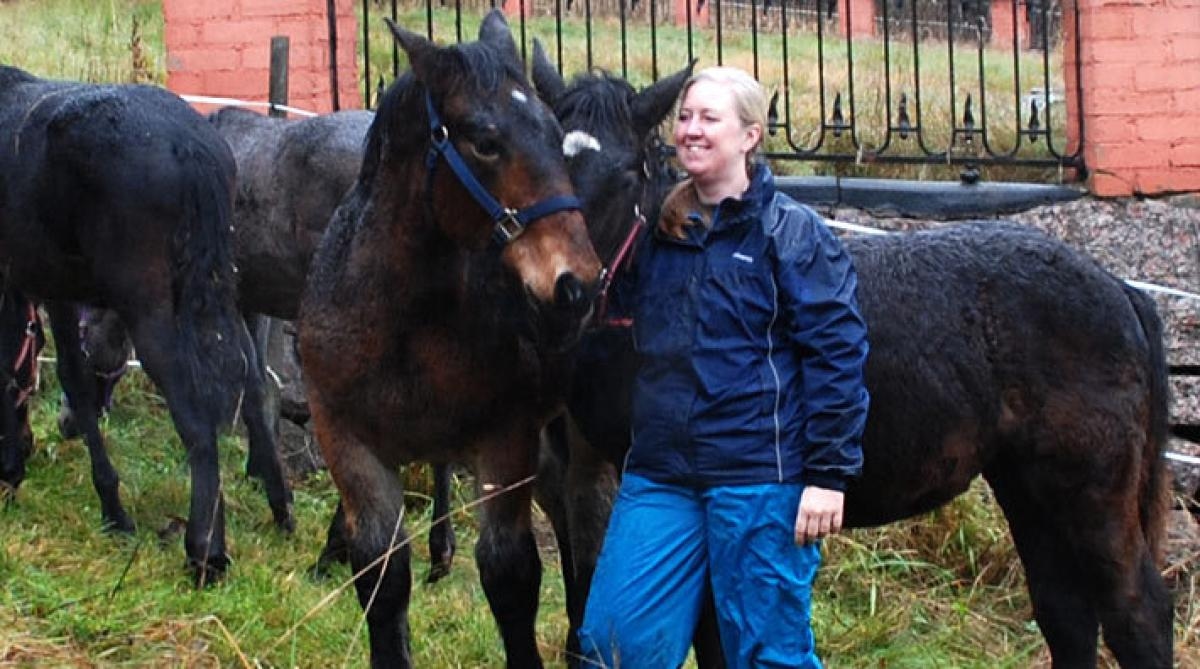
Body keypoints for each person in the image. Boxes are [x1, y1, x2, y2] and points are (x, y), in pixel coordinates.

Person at [577, 66, 870, 668]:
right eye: (685, 117)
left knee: (767, 653)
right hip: (662, 474)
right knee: (613, 646)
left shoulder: (790, 233)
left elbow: (836, 352)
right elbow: (606, 326)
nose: (691, 130)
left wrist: (829, 475)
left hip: (758, 476)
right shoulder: (657, 232)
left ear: (750, 136)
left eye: (710, 118)